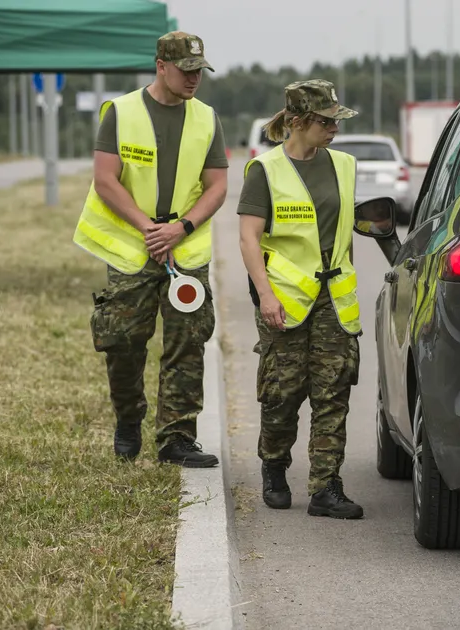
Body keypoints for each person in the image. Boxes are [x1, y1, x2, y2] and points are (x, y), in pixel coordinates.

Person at [73, 31, 228, 467]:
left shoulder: (207, 118)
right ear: (161, 66)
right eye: (186, 70)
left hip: (185, 252)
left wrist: (181, 228)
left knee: (187, 342)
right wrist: (148, 229)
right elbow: (105, 180)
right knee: (122, 341)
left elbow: (217, 186)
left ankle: (177, 438)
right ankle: (128, 417)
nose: (195, 79)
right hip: (132, 249)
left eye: (200, 71)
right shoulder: (121, 112)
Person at [237, 79, 365, 520]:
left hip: (334, 298)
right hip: (285, 300)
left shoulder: (345, 165)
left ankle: (326, 487)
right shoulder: (265, 170)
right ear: (297, 121)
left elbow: (347, 228)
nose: (334, 129)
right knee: (282, 394)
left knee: (333, 392)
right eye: (325, 122)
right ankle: (274, 466)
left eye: (335, 121)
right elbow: (249, 238)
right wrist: (265, 294)